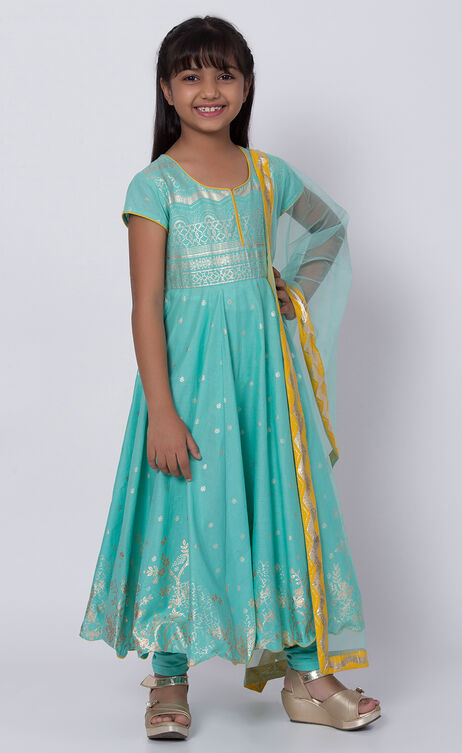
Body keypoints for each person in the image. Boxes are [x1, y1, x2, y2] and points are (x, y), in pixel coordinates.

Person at [79, 14, 381, 740]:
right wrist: (161, 410)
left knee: (279, 506)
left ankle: (307, 675)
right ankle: (169, 675)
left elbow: (328, 228)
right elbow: (146, 304)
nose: (209, 89)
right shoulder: (154, 185)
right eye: (191, 76)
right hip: (185, 383)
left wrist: (294, 291)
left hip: (263, 385)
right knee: (179, 508)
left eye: (225, 74)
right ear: (167, 90)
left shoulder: (268, 174)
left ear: (246, 86)